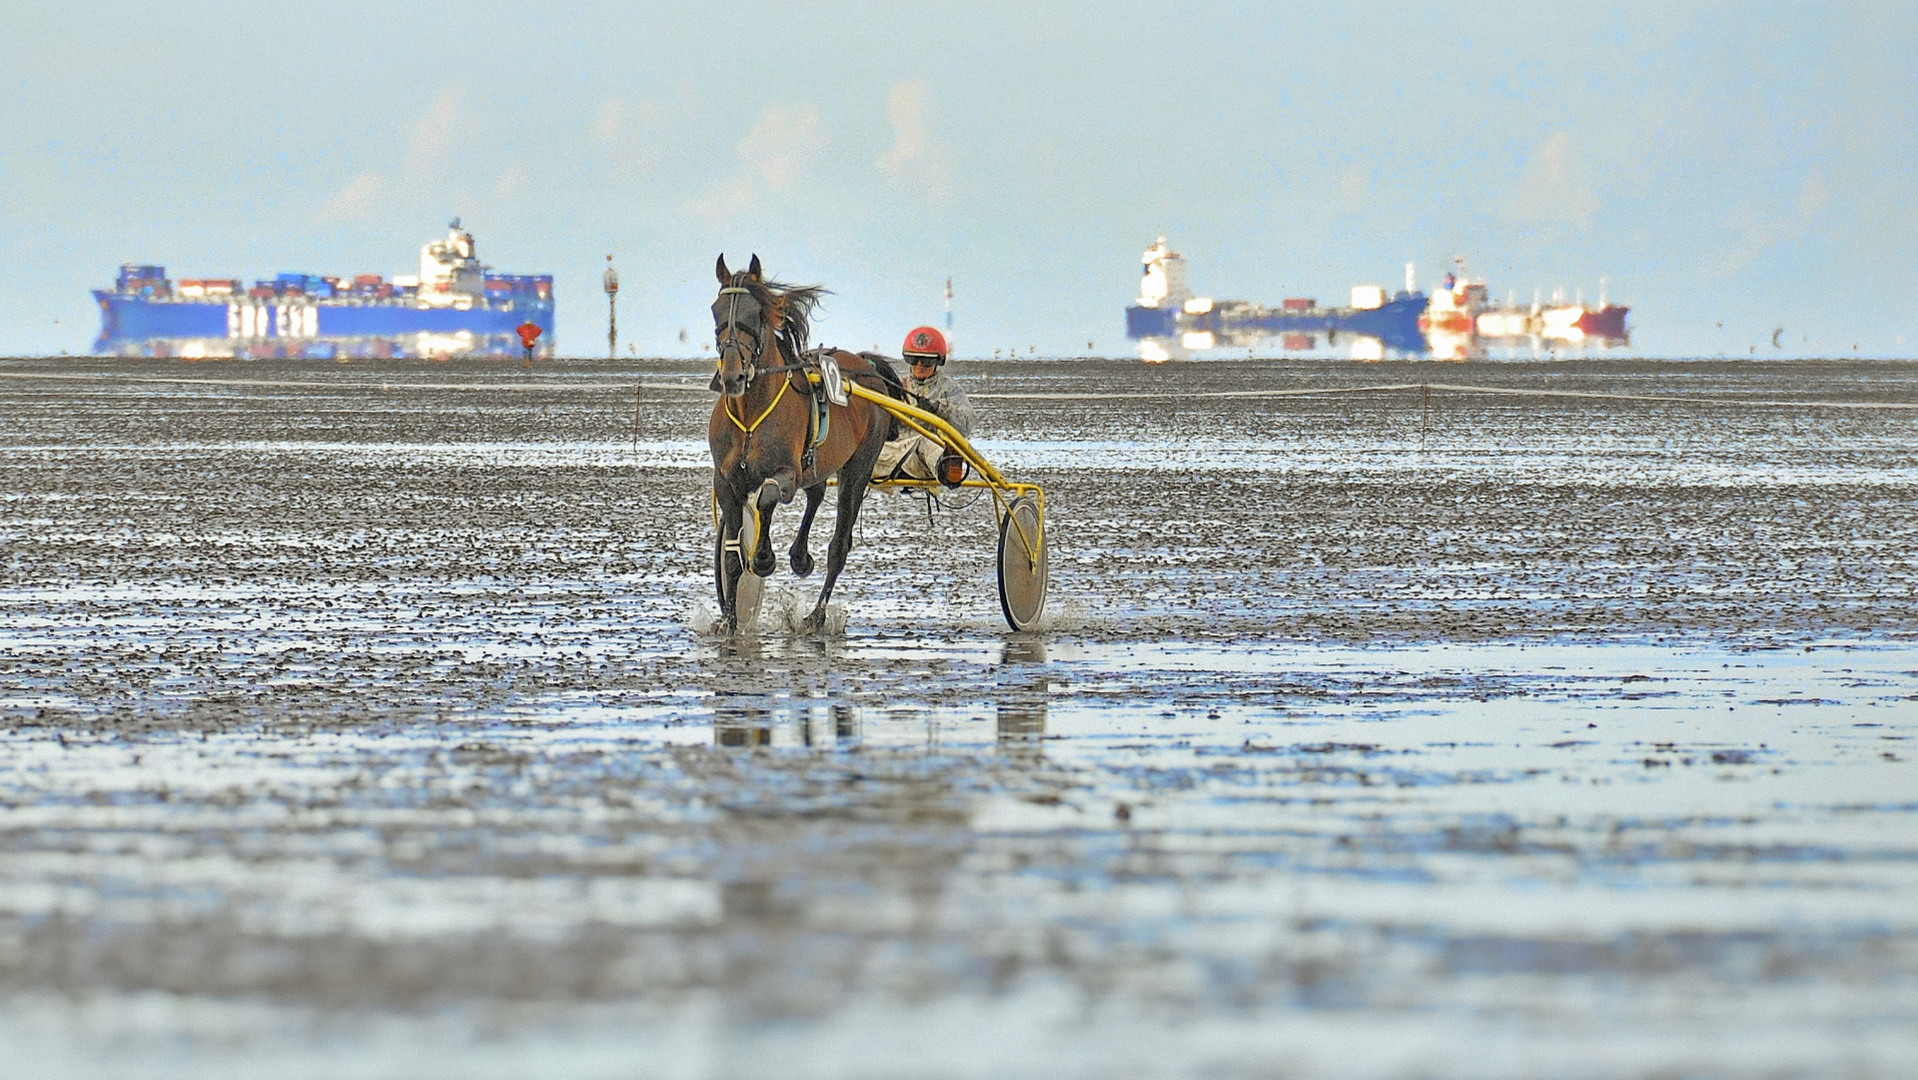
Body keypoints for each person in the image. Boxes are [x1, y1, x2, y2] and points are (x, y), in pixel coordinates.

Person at [874, 325, 974, 481]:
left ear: (937, 361)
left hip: (926, 459)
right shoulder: (897, 386)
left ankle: (947, 471)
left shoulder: (950, 390)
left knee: (924, 444)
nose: (919, 365)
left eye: (926, 361)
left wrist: (939, 409)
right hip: (893, 454)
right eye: (913, 359)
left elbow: (966, 425)